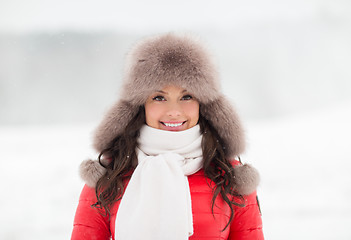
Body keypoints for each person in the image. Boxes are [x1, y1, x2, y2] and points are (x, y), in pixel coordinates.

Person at [71, 33, 264, 240]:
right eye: (159, 97)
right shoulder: (108, 177)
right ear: (140, 106)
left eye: (187, 96)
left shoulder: (230, 178)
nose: (174, 111)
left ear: (204, 105)